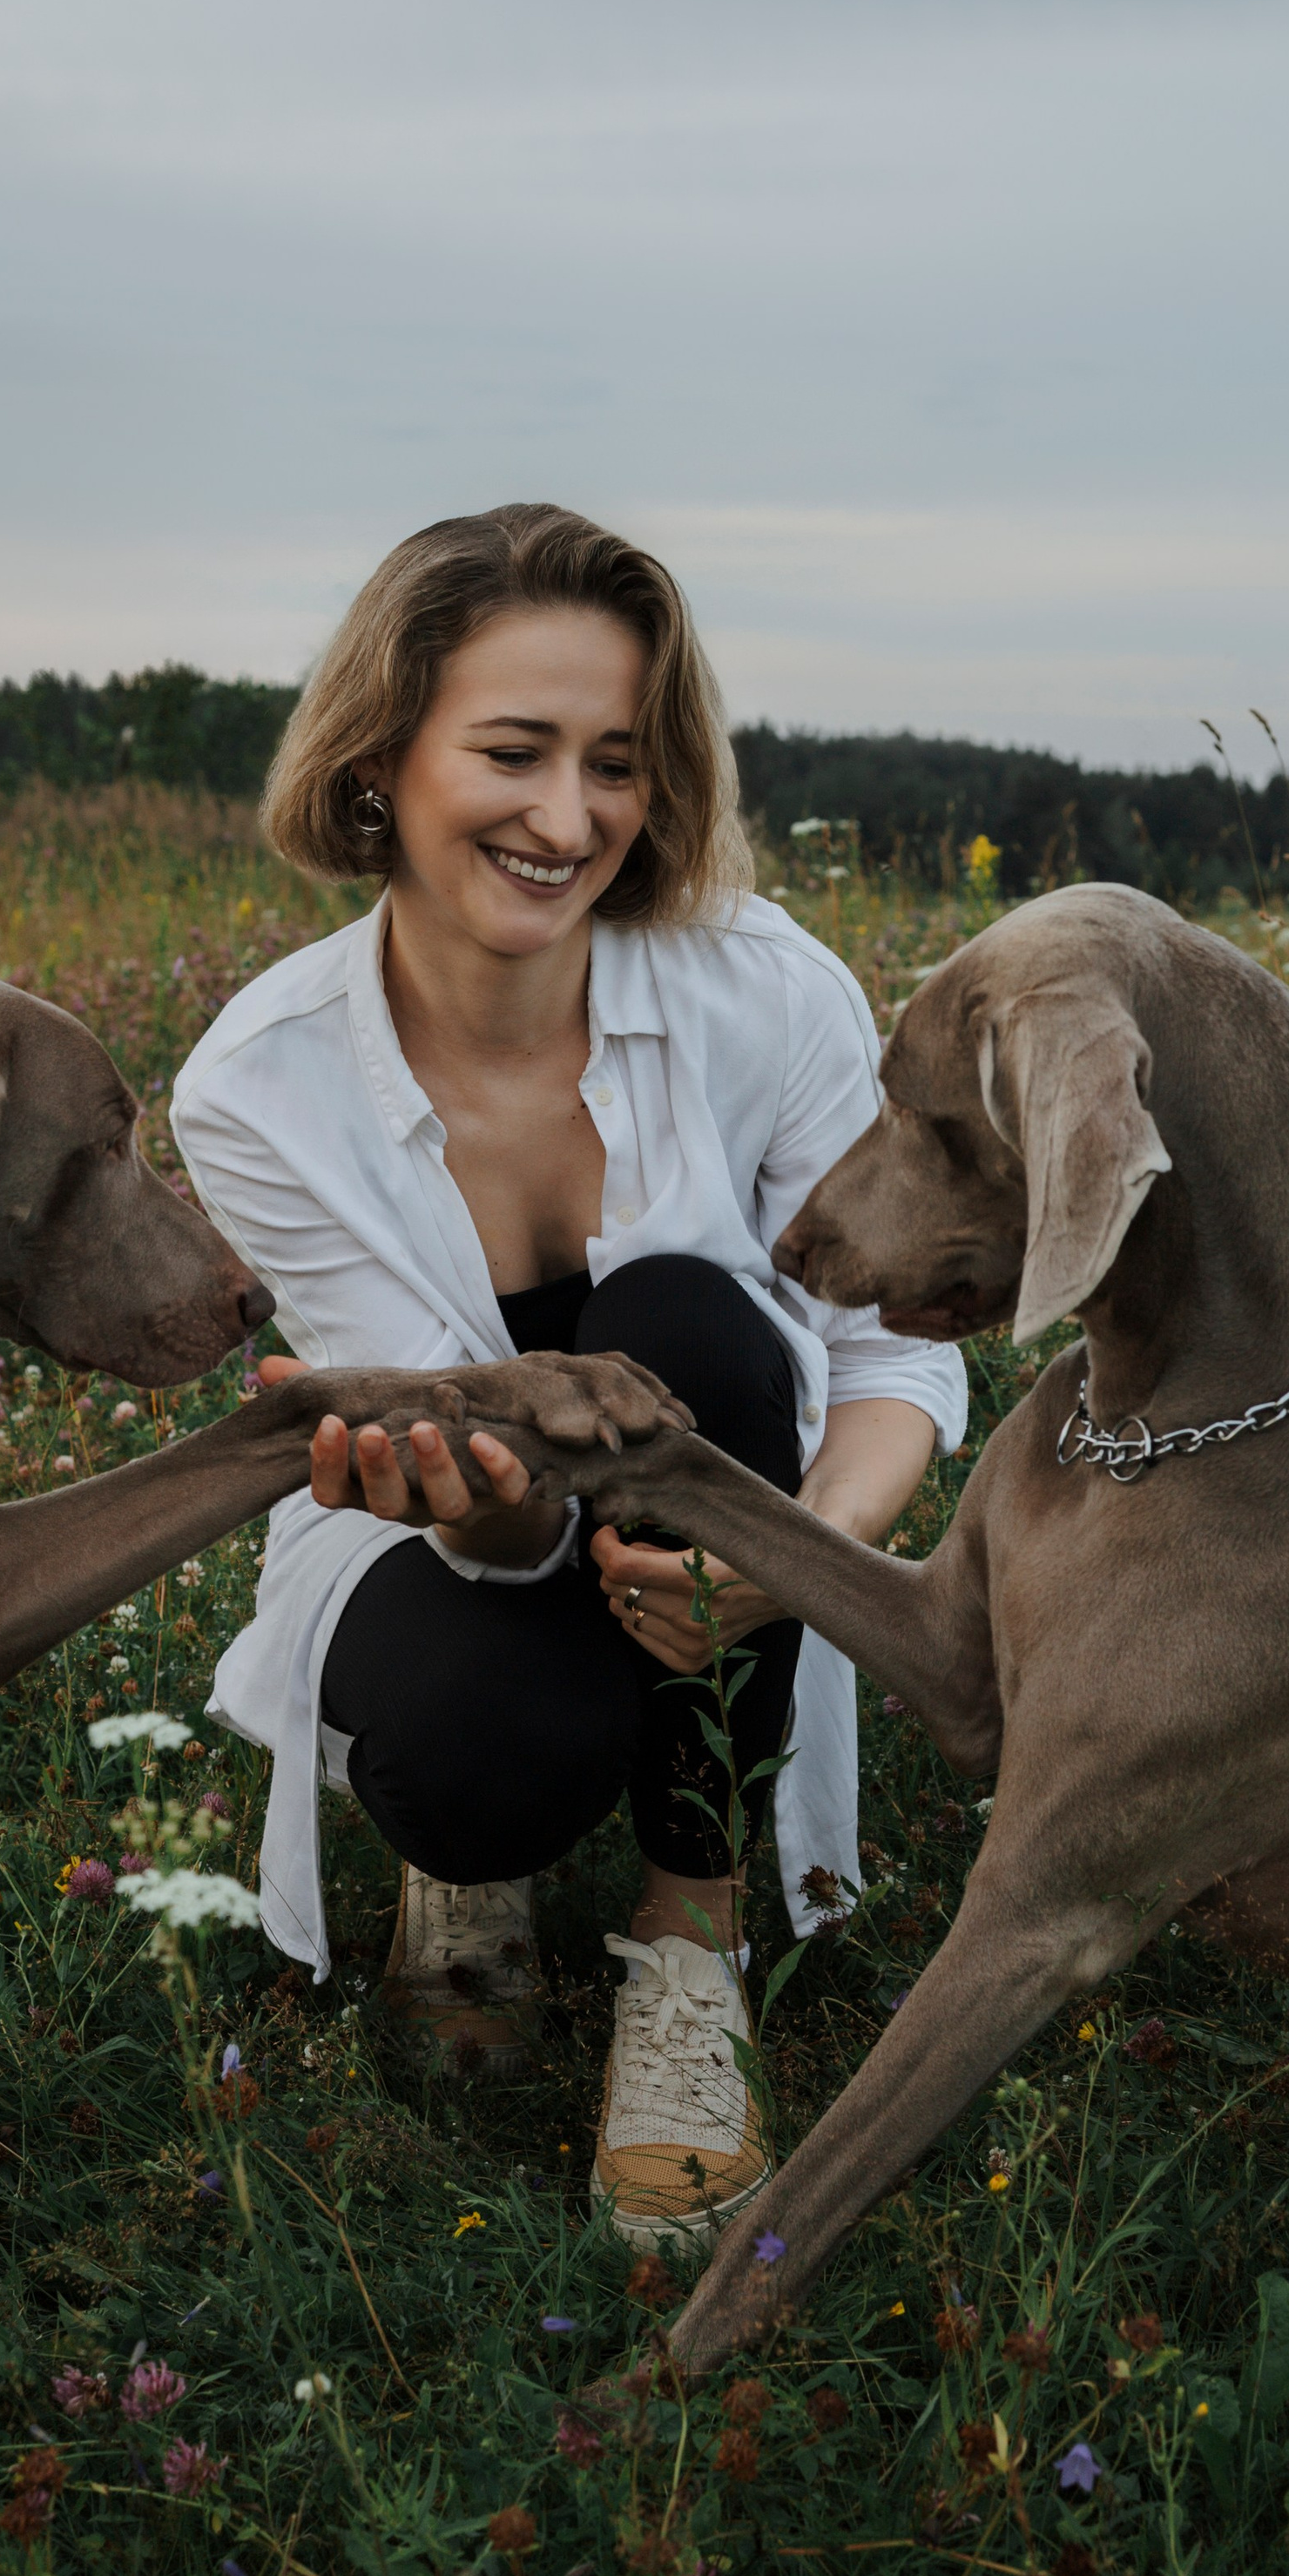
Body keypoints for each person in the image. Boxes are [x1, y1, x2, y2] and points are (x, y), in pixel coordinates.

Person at [171, 504, 967, 2249]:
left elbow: (884, 1352)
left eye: (614, 762)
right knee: (476, 1763)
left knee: (684, 1317)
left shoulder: (762, 991)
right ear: (379, 757)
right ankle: (464, 1878)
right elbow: (472, 1479)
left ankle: (693, 1933)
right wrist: (494, 1510)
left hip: (741, 1497)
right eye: (512, 752)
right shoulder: (258, 1089)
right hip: (441, 1539)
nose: (568, 818)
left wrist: (796, 1563)